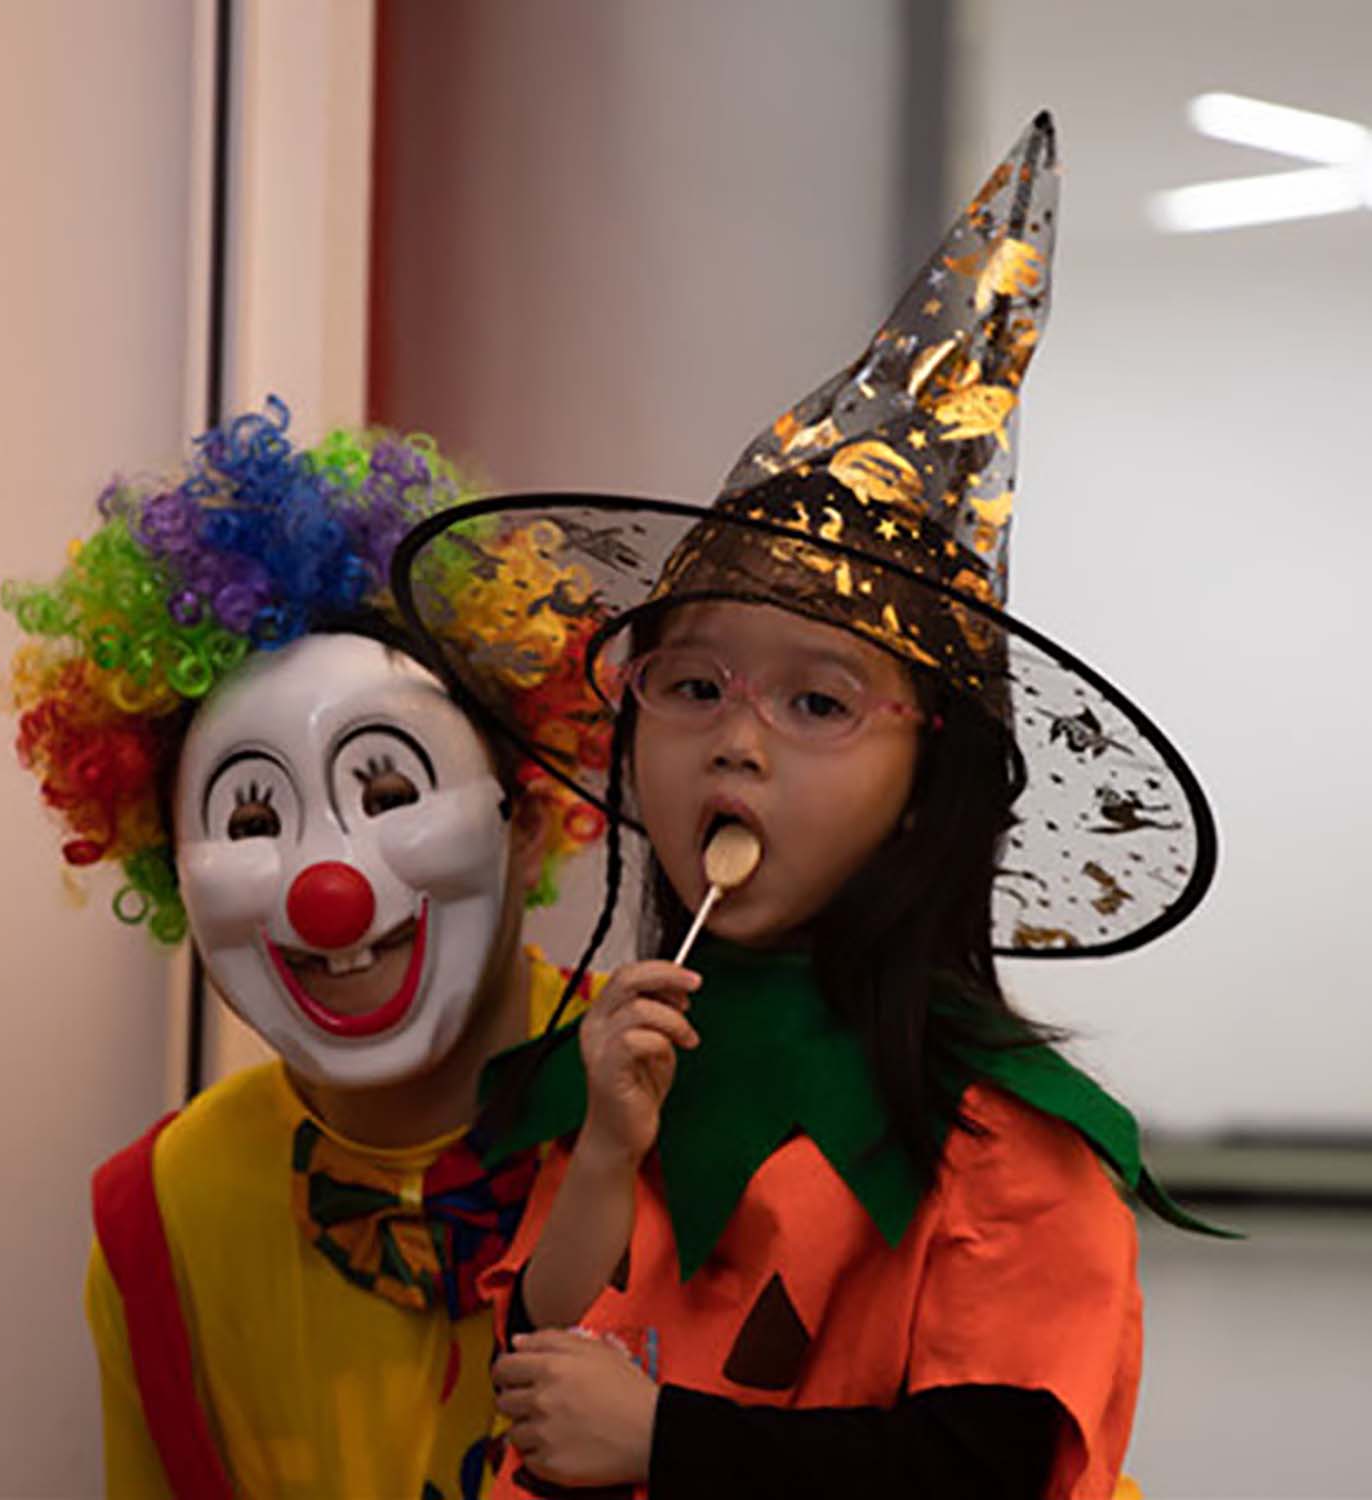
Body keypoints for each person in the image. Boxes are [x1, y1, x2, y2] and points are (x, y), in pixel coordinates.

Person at [391, 114, 1227, 1499]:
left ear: (927, 785)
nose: (737, 742)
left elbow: (991, 1463)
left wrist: (669, 1441)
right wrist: (604, 1153)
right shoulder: (614, 1074)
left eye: (819, 704)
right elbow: (536, 1363)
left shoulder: (1008, 1139)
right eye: (692, 686)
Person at [2, 402, 612, 1499]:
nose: (328, 890)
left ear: (524, 825)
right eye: (250, 819)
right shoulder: (165, 1210)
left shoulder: (684, 1096)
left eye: (389, 793)